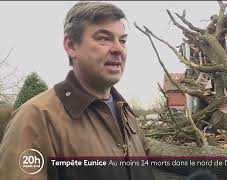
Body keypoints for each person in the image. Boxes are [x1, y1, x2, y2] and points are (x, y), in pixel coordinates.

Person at [0, 2, 154, 180]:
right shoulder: (36, 117)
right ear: (71, 45)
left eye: (123, 40)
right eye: (104, 38)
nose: (118, 49)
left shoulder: (126, 113)